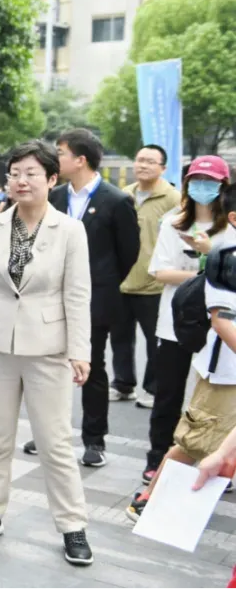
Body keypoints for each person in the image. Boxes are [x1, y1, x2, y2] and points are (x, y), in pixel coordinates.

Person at [0, 140, 94, 566]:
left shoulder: (70, 230)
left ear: (52, 179)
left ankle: (72, 525)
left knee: (55, 443)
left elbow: (77, 295)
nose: (21, 181)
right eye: (15, 173)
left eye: (31, 173)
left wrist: (79, 350)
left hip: (48, 350)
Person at [22, 128, 139, 467]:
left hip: (95, 300)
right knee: (46, 368)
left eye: (60, 153)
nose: (54, 158)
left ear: (80, 159)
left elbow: (128, 253)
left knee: (92, 367)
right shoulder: (55, 197)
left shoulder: (116, 200)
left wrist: (99, 282)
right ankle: (47, 434)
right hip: (48, 297)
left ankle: (94, 440)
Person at [129, 181, 236, 521]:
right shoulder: (225, 260)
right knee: (195, 441)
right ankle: (148, 500)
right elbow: (222, 321)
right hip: (225, 373)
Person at [142, 156, 230, 484]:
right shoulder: (173, 223)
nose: (202, 187)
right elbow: (159, 271)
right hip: (176, 323)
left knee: (216, 401)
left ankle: (217, 465)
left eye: (210, 182)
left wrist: (206, 258)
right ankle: (157, 459)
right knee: (168, 395)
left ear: (223, 186)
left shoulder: (231, 226)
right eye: (196, 180)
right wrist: (208, 272)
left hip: (221, 328)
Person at [115, 144, 182, 409]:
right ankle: (123, 384)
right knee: (120, 338)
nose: (143, 165)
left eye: (150, 161)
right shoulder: (124, 195)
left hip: (155, 284)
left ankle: (153, 389)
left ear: (163, 168)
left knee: (157, 342)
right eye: (140, 159)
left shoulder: (173, 199)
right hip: (122, 280)